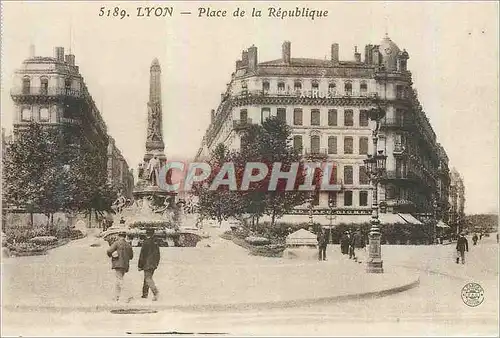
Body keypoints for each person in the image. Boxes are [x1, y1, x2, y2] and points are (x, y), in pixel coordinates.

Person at [107, 231, 134, 301]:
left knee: (120, 280)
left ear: (119, 236)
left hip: (118, 264)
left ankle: (129, 295)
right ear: (125, 236)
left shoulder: (117, 243)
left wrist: (112, 255)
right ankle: (116, 297)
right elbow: (131, 256)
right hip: (125, 265)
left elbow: (109, 251)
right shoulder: (128, 244)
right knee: (118, 280)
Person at [138, 228, 161, 301]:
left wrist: (140, 265)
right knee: (147, 278)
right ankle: (144, 294)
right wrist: (156, 263)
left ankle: (156, 292)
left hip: (147, 263)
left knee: (148, 278)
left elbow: (142, 255)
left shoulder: (146, 242)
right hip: (153, 264)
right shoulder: (155, 243)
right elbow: (158, 254)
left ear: (146, 234)